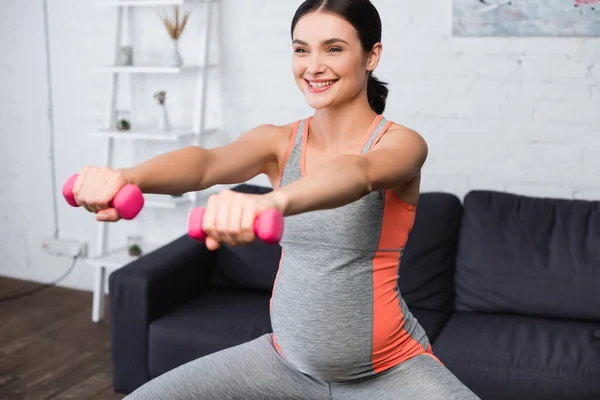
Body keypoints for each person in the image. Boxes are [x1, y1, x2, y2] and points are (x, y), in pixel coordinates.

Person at [73, 1, 480, 398]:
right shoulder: (279, 141)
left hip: (391, 371)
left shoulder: (401, 144)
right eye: (302, 49)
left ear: (372, 55)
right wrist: (127, 177)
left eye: (334, 49)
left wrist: (271, 203)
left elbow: (359, 174)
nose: (313, 66)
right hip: (284, 364)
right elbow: (206, 164)